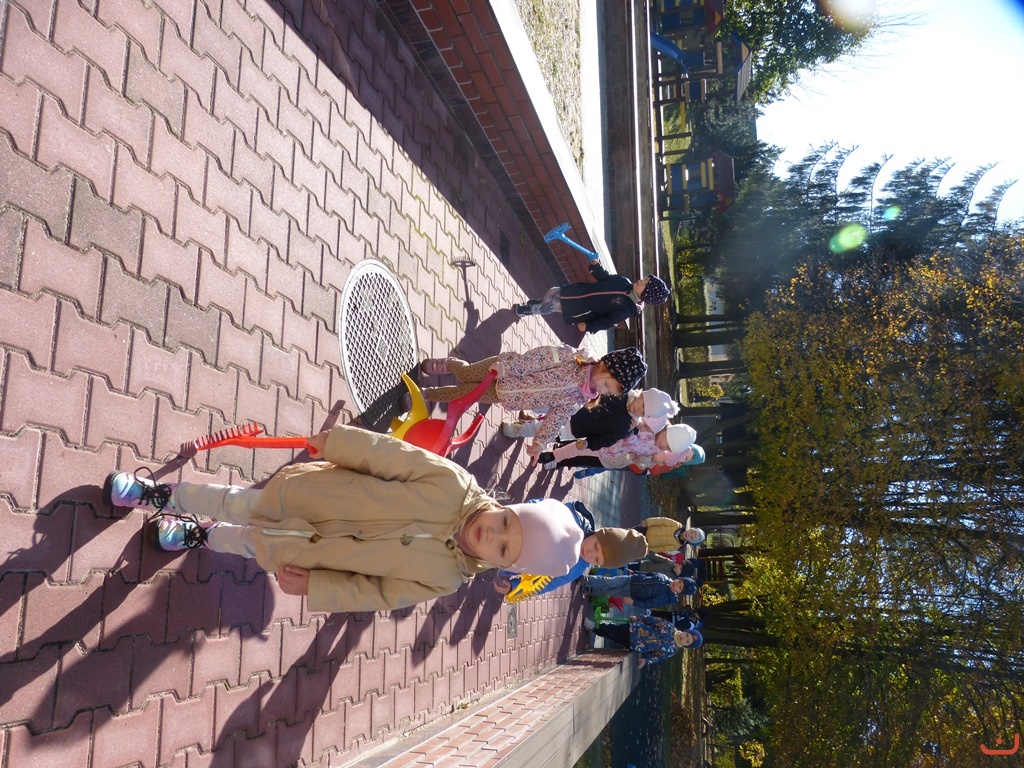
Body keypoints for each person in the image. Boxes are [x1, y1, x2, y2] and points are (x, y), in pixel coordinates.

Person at [102, 424, 583, 614]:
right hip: (313, 498)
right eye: (506, 521)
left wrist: (318, 585)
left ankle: (199, 537)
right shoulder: (454, 484)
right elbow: (389, 456)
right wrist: (338, 444)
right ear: (507, 506)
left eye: (503, 547)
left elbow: (378, 593)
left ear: (502, 565)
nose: (492, 532)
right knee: (236, 502)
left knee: (248, 544)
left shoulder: (446, 578)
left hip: (312, 554)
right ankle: (159, 494)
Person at [420, 345, 647, 460]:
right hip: (504, 369)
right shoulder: (571, 358)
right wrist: (507, 368)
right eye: (607, 385)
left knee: (464, 395)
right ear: (606, 366)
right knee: (466, 374)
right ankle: (449, 365)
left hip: (506, 395)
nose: (602, 391)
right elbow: (534, 360)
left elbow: (557, 418)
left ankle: (426, 394)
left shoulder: (580, 398)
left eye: (608, 392)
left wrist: (541, 442)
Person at [513, 260, 670, 333]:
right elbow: (605, 278)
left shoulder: (626, 309)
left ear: (646, 294)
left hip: (580, 309)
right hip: (578, 292)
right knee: (552, 291)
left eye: (645, 284)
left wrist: (589, 327)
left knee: (551, 306)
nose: (641, 280)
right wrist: (596, 268)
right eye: (645, 279)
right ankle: (539, 303)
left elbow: (607, 321)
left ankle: (528, 310)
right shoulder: (623, 281)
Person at [500, 388, 679, 451]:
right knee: (541, 407)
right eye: (642, 404)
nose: (639, 409)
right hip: (572, 405)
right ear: (641, 394)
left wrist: (588, 443)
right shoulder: (620, 391)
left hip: (574, 428)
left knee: (542, 429)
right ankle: (523, 415)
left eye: (644, 412)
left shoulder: (627, 426)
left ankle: (518, 430)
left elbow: (606, 439)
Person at [538, 423, 701, 472]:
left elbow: (639, 461)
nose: (664, 450)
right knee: (577, 447)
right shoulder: (652, 426)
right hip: (608, 440)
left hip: (610, 456)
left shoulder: (655, 450)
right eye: (667, 447)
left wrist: (650, 460)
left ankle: (554, 457)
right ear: (666, 435)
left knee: (580, 455)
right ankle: (552, 455)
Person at [583, 614, 703, 667]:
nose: (684, 638)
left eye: (687, 641)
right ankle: (597, 626)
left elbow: (657, 656)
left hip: (635, 643)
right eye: (687, 635)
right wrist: (639, 618)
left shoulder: (671, 650)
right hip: (634, 628)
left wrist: (646, 660)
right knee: (613, 628)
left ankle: (593, 627)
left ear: (686, 645)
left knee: (612, 635)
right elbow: (653, 620)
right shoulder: (670, 627)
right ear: (686, 631)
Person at [583, 570, 698, 609]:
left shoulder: (665, 597)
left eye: (679, 587)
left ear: (679, 592)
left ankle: (590, 590)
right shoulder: (664, 577)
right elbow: (648, 574)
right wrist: (635, 573)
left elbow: (648, 603)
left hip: (631, 592)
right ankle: (587, 580)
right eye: (679, 582)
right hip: (631, 579)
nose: (677, 584)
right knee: (609, 581)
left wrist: (633, 602)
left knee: (608, 591)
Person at [635, 517, 706, 555]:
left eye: (691, 537)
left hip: (646, 543)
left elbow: (662, 548)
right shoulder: (676, 525)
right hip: (645, 529)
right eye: (691, 532)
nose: (689, 534)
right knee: (629, 533)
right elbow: (662, 521)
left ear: (690, 541)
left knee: (631, 545)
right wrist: (648, 522)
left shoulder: (676, 546)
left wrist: (649, 550)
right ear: (690, 529)